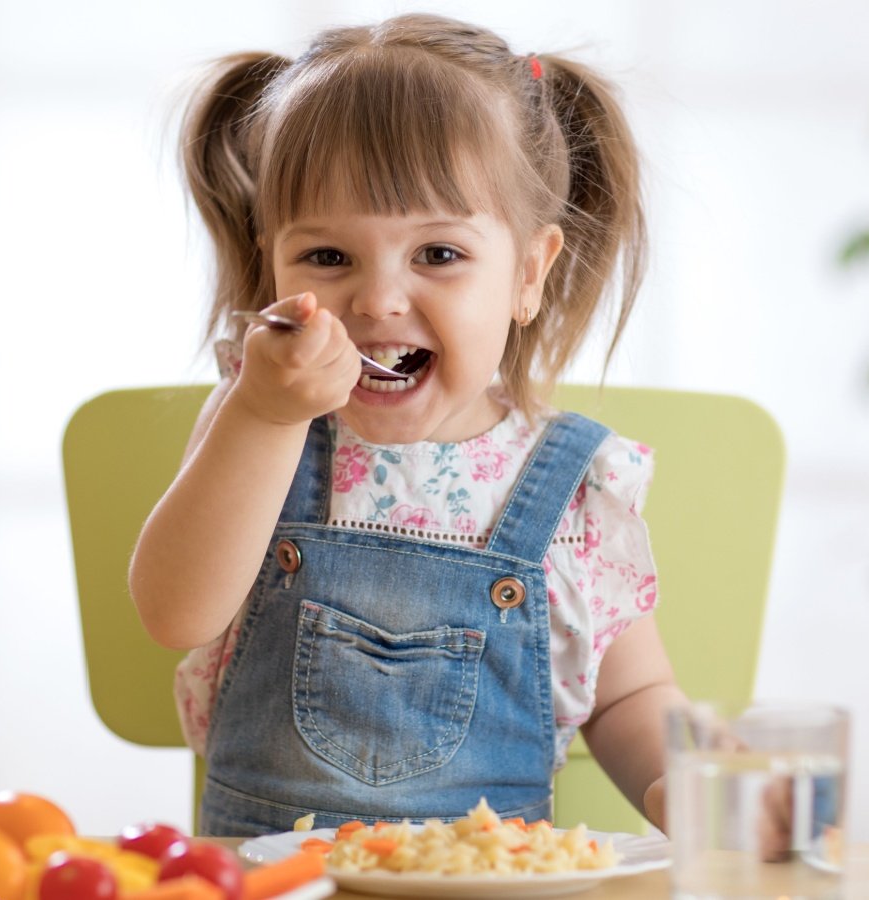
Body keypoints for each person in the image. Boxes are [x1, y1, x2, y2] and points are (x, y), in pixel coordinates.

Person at [129, 13, 687, 838]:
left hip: (487, 891)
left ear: (528, 274)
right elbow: (175, 614)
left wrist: (685, 788)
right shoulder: (260, 426)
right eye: (327, 257)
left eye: (437, 254)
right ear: (273, 259)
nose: (378, 300)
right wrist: (263, 413)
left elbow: (632, 695)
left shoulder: (575, 487)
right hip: (273, 885)